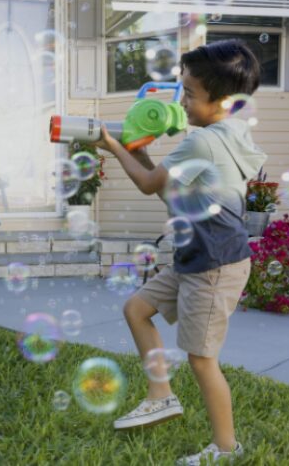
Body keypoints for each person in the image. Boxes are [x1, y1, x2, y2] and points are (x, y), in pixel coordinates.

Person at [93, 40, 267, 465]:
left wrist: (116, 146)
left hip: (213, 265)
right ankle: (161, 394)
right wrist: (135, 149)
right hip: (199, 257)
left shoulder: (204, 142)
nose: (183, 101)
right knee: (137, 309)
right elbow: (172, 193)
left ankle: (226, 449)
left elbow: (150, 183)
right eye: (182, 90)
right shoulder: (232, 134)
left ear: (221, 100)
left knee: (202, 359)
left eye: (190, 93)